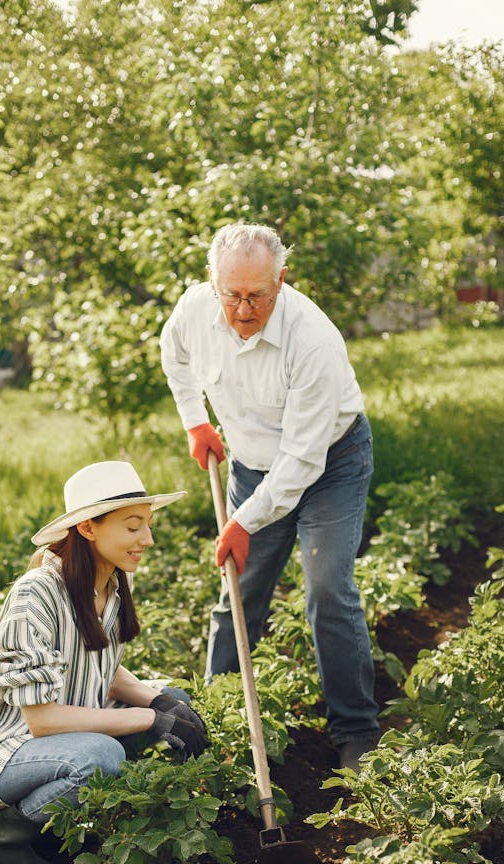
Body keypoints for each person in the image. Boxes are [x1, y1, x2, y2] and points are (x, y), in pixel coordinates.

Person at [160, 221, 379, 770]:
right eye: (231, 294)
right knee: (238, 588)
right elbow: (174, 353)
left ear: (282, 280)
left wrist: (242, 523)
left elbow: (303, 460)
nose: (242, 308)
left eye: (257, 294)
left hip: (331, 463)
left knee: (328, 587)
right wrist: (195, 424)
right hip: (252, 464)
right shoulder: (194, 310)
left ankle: (355, 731)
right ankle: (210, 718)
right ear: (213, 285)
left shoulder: (313, 340)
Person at [0, 461, 208, 864]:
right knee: (99, 756)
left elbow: (99, 665)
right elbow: (43, 720)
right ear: (88, 528)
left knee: (174, 697)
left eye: (148, 526)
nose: (148, 540)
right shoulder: (37, 593)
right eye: (133, 526)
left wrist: (159, 703)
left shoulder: (110, 584)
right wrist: (147, 720)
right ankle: (9, 840)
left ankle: (103, 820)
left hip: (51, 736)